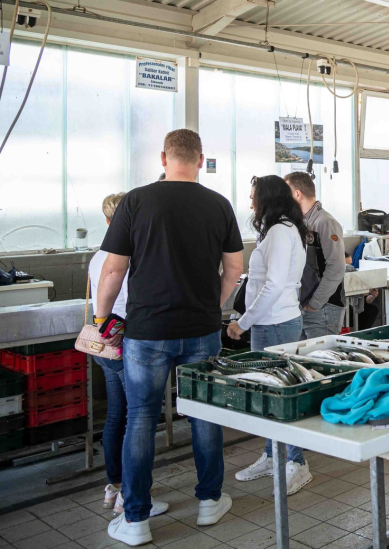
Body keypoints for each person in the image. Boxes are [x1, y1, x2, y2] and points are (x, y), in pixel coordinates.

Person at [96, 129, 243, 547]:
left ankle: (137, 519)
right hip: (201, 329)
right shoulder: (219, 204)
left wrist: (101, 320)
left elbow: (112, 271)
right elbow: (234, 267)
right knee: (204, 413)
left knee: (140, 417)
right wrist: (212, 302)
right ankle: (210, 501)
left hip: (147, 332)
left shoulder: (137, 201)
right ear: (200, 158)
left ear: (164, 157)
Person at [230, 176, 312, 495]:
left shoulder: (280, 231)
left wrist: (244, 321)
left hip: (275, 323)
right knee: (268, 394)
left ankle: (296, 462)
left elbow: (275, 284)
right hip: (271, 323)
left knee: (279, 395)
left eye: (254, 196)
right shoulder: (283, 228)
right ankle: (272, 454)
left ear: (267, 198)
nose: (251, 203)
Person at [89, 193, 168, 517]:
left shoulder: (98, 255)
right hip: (127, 342)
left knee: (116, 416)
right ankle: (129, 495)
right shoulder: (133, 255)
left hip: (103, 342)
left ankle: (114, 486)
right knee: (138, 419)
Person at [283, 172, 346, 339]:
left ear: (297, 194)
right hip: (304, 306)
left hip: (323, 308)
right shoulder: (301, 222)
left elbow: (337, 267)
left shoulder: (325, 223)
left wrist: (315, 304)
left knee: (321, 361)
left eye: (286, 193)